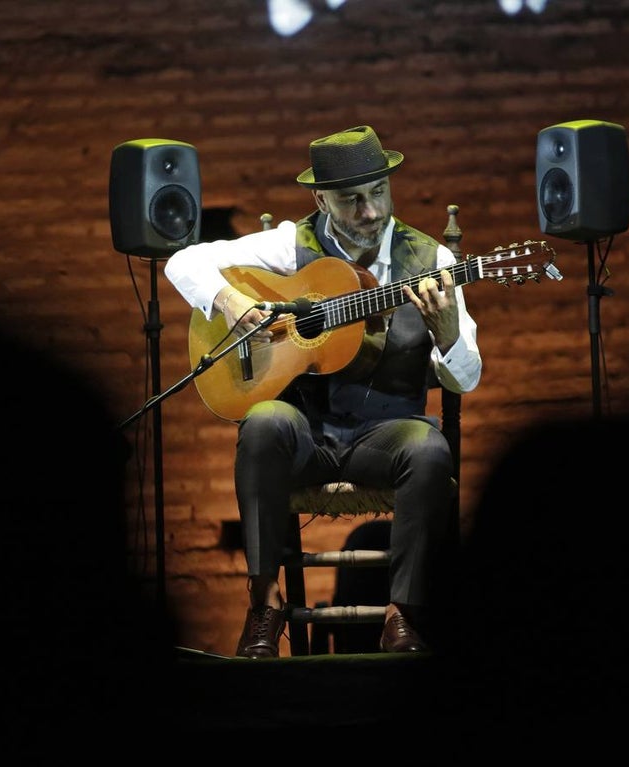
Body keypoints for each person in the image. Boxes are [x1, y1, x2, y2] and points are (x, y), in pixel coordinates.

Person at [165, 125, 483, 658]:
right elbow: (183, 261)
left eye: (378, 192)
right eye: (351, 199)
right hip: (306, 436)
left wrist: (448, 333)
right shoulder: (291, 245)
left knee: (430, 450)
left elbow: (467, 378)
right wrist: (230, 303)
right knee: (262, 421)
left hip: (384, 434)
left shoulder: (432, 261)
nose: (370, 211)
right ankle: (265, 605)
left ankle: (403, 615)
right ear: (321, 200)